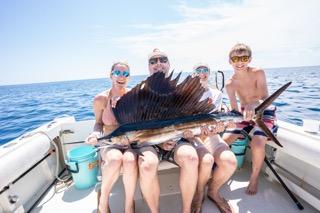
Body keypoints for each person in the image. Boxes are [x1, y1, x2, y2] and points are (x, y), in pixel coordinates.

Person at [138, 49, 199, 213]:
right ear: (148, 67)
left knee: (191, 158)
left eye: (162, 59)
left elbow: (191, 119)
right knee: (147, 166)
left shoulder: (180, 89)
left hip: (177, 138)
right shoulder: (140, 91)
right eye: (153, 61)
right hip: (150, 142)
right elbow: (136, 127)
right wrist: (160, 139)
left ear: (169, 64)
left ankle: (186, 210)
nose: (158, 63)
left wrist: (190, 132)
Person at [223, 43, 277, 195]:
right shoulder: (230, 84)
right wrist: (230, 119)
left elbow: (267, 98)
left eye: (244, 58)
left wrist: (254, 104)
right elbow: (234, 109)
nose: (240, 62)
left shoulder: (258, 72)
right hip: (244, 114)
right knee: (224, 141)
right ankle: (220, 170)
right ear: (230, 61)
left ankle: (254, 178)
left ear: (250, 59)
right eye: (235, 58)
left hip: (264, 110)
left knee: (257, 144)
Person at [86, 61, 137, 213]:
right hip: (110, 142)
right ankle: (103, 200)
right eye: (118, 73)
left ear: (129, 77)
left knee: (129, 161)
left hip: (129, 143)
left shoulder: (133, 97)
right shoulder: (100, 99)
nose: (122, 77)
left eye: (125, 74)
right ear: (111, 75)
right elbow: (98, 124)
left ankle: (129, 205)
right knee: (115, 159)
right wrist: (95, 134)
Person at [185, 63, 237, 213]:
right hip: (193, 137)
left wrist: (222, 126)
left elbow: (216, 120)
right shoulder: (186, 96)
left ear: (209, 72)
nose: (202, 73)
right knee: (207, 161)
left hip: (211, 135)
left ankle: (213, 191)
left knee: (230, 161)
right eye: (198, 70)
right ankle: (199, 193)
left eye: (205, 70)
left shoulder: (217, 94)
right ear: (193, 74)